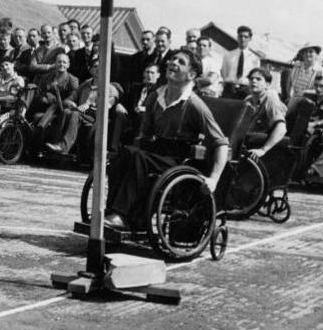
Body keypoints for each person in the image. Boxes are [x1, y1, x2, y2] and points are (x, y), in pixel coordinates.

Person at [103, 49, 229, 230]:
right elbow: (144, 135)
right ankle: (114, 212)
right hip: (156, 152)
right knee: (125, 154)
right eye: (173, 59)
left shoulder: (194, 104)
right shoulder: (155, 96)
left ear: (192, 75)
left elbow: (221, 143)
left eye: (181, 62)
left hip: (178, 160)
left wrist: (214, 178)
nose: (173, 62)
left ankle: (122, 215)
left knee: (138, 158)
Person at [243, 67, 288, 160]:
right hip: (244, 143)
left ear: (267, 85)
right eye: (251, 79)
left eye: (258, 79)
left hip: (257, 146)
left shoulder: (270, 101)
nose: (253, 81)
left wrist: (263, 150)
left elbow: (281, 129)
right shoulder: (248, 100)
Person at [220, 25, 261, 95]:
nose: (242, 39)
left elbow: (255, 76)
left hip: (246, 89)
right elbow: (224, 73)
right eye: (240, 36)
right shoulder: (228, 55)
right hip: (230, 89)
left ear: (250, 39)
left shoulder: (255, 58)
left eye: (246, 37)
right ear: (237, 37)